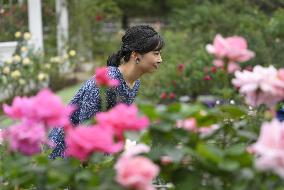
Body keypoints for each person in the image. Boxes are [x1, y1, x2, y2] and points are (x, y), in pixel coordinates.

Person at [48, 25, 164, 159]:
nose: (160, 59)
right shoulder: (107, 81)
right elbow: (86, 128)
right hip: (67, 154)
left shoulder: (134, 83)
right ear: (135, 55)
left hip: (100, 152)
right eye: (155, 53)